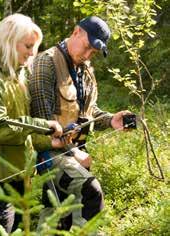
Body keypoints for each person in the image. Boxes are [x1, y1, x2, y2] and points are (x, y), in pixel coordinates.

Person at [29, 16, 132, 229]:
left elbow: (87, 110)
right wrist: (72, 152)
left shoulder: (83, 69)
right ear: (76, 32)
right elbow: (43, 123)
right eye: (86, 48)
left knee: (57, 217)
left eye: (92, 53)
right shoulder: (46, 63)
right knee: (90, 190)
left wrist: (111, 120)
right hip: (51, 154)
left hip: (75, 151)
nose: (87, 55)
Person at [0, 13, 67, 233]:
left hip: (19, 175)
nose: (33, 52)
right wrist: (42, 125)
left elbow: (22, 133)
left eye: (36, 46)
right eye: (28, 46)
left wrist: (49, 142)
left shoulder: (19, 77)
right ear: (9, 42)